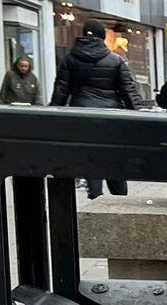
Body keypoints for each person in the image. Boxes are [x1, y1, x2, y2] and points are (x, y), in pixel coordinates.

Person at [50, 20, 145, 197]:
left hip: (82, 115)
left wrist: (52, 117)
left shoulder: (69, 59)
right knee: (113, 157)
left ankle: (95, 196)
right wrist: (140, 115)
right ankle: (119, 196)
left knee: (90, 157)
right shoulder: (116, 61)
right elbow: (129, 91)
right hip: (110, 117)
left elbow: (61, 91)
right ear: (102, 37)